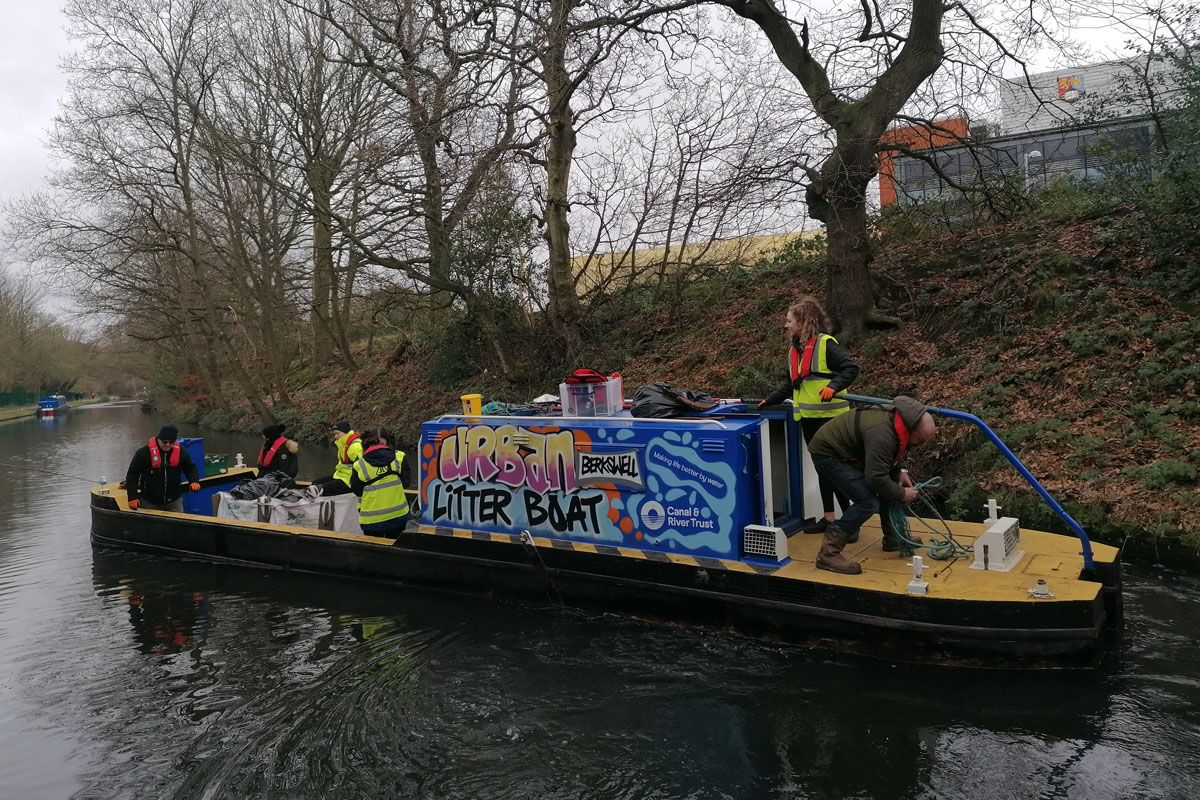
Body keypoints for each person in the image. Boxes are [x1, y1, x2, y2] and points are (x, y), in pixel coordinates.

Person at [760, 295, 860, 534]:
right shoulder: (795, 351)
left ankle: (849, 523)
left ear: (803, 322)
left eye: (789, 321)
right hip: (808, 419)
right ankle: (829, 517)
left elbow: (851, 368)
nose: (786, 325)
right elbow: (791, 385)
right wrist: (769, 401)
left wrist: (832, 387)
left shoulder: (826, 344)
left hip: (831, 419)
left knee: (833, 468)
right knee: (821, 468)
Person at [807, 396, 938, 575]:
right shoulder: (882, 433)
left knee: (890, 483)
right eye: (921, 440)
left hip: (849, 449)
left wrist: (901, 471)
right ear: (911, 428)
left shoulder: (899, 420)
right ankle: (828, 554)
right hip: (828, 454)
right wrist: (901, 494)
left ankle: (892, 538)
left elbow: (891, 452)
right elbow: (875, 477)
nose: (921, 446)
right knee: (867, 502)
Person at [124, 423, 200, 512]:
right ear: (159, 439)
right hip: (149, 502)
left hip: (174, 501)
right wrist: (132, 497)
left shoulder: (181, 452)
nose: (167, 445)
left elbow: (190, 467)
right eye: (164, 441)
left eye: (171, 442)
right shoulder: (143, 453)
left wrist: (194, 480)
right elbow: (132, 475)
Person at [349, 425, 410, 536]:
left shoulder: (360, 464)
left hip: (371, 520)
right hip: (398, 515)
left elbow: (357, 490)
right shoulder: (399, 457)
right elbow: (405, 483)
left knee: (374, 551)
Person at [312, 420, 361, 496]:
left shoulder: (355, 447)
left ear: (346, 432)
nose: (336, 436)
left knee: (321, 489)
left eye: (338, 433)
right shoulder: (342, 445)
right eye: (334, 434)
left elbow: (362, 469)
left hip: (350, 481)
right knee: (315, 483)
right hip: (341, 476)